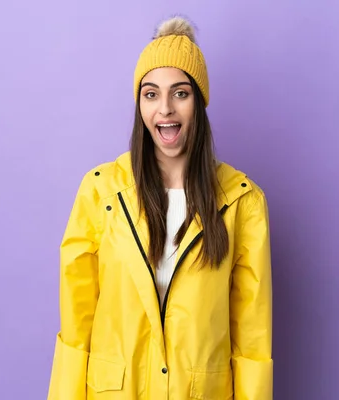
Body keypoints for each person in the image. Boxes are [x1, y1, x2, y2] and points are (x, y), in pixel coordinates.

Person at [47, 15, 273, 400]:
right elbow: (75, 328)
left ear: (198, 103)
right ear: (139, 105)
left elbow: (252, 342)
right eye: (151, 94)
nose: (164, 109)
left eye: (180, 93)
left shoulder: (241, 202)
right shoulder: (100, 193)